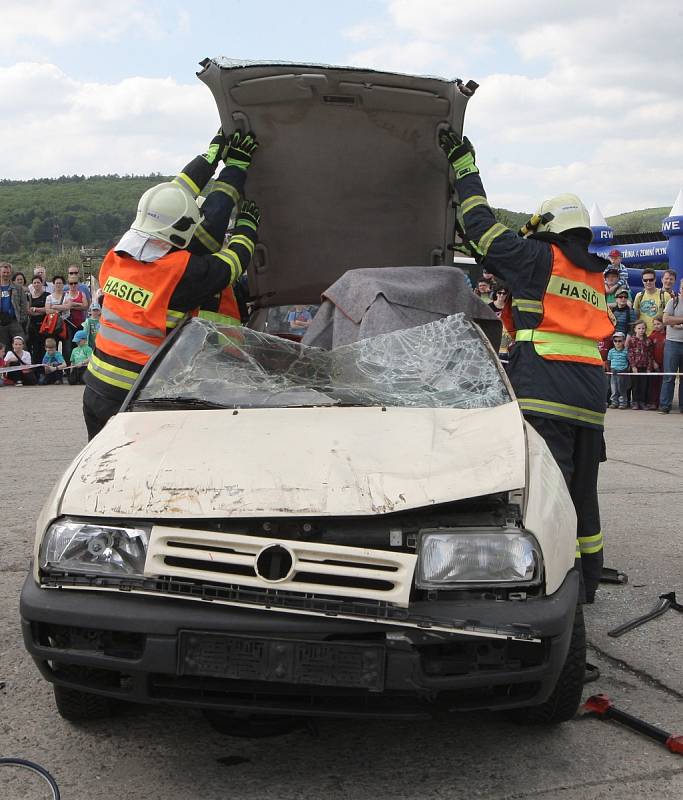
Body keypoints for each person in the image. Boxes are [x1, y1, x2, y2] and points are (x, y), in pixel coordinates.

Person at [439, 129, 614, 604]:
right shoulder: (591, 272)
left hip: (544, 390)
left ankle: (549, 587)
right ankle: (588, 582)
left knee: (546, 497)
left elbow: (481, 226)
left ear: (548, 228)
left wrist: (463, 167)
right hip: (590, 397)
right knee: (583, 494)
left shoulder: (539, 258)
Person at [83, 127, 261, 440]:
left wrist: (209, 158)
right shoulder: (177, 273)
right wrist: (246, 226)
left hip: (96, 389)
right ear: (180, 234)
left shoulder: (116, 258)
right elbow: (231, 264)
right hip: (135, 394)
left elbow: (172, 196)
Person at [659, 281, 683, 413]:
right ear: (680, 288)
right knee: (669, 376)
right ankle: (665, 405)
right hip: (672, 343)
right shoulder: (673, 302)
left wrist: (676, 321)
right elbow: (666, 320)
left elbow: (671, 320)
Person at [633, 268, 671, 335]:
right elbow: (635, 316)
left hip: (659, 335)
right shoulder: (639, 296)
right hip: (643, 336)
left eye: (651, 280)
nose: (648, 282)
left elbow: (670, 317)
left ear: (655, 279)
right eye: (645, 280)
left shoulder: (665, 295)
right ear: (642, 281)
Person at [0, 262, 28, 348]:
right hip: (1, 322)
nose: (6, 274)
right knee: (3, 348)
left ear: (11, 273)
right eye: (4, 272)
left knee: (21, 346)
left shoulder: (18, 288)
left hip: (14, 321)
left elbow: (23, 304)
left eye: (8, 272)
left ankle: (23, 362)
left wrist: (21, 319)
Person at [44, 275, 72, 363]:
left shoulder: (68, 296)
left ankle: (66, 369)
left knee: (67, 348)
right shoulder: (49, 297)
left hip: (65, 324)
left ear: (63, 284)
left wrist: (55, 306)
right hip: (54, 325)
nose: (58, 285)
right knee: (52, 347)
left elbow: (68, 307)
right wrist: (61, 307)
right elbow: (47, 310)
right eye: (56, 283)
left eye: (60, 283)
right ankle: (53, 367)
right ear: (53, 284)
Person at [627, 319, 653, 409]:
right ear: (635, 329)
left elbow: (650, 355)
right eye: (639, 328)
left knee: (644, 385)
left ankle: (642, 402)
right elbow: (630, 354)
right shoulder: (632, 340)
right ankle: (635, 402)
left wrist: (649, 367)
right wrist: (633, 366)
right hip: (635, 367)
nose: (641, 330)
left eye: (643, 328)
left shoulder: (648, 341)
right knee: (635, 385)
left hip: (645, 367)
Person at [27, 275, 50, 365]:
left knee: (44, 347)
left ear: (42, 283)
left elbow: (48, 309)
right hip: (33, 326)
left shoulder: (47, 295)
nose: (36, 284)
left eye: (38, 282)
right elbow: (28, 311)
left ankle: (44, 367)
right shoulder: (29, 296)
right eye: (34, 283)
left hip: (45, 325)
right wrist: (41, 311)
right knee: (35, 348)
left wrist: (35, 309)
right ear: (32, 284)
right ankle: (36, 369)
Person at [606, 332, 629, 409]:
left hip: (622, 371)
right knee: (614, 388)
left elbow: (629, 361)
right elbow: (608, 361)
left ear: (623, 341)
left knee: (621, 388)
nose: (617, 343)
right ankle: (614, 402)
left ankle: (623, 402)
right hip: (613, 371)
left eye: (620, 341)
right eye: (615, 341)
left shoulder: (626, 351)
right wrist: (609, 369)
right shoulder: (611, 351)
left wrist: (627, 369)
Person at [647, 317, 666, 410]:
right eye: (654, 324)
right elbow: (649, 351)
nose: (656, 326)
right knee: (654, 383)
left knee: (663, 383)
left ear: (663, 324)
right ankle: (653, 402)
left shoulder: (668, 335)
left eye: (658, 324)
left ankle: (662, 402)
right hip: (655, 363)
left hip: (665, 363)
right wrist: (653, 362)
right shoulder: (652, 336)